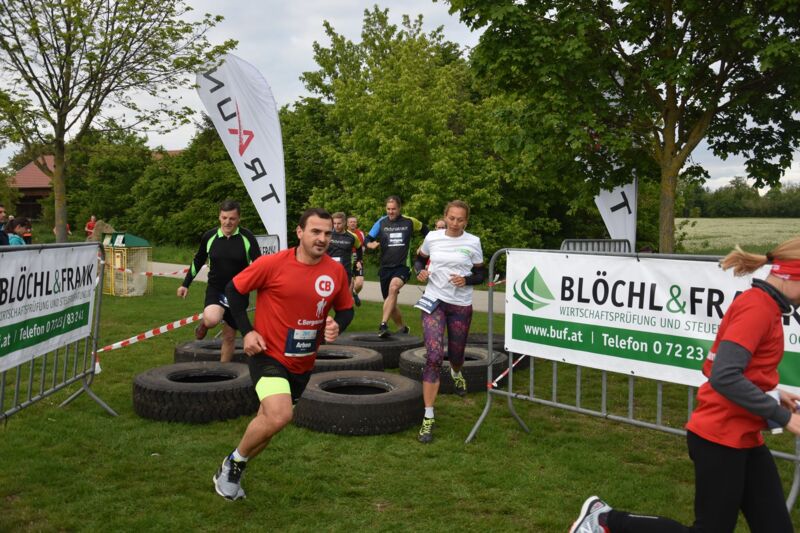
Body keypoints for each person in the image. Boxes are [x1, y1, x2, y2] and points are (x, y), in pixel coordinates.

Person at [570, 238, 800, 533]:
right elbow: (724, 376)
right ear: (790, 274)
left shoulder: (765, 306)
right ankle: (604, 520)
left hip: (744, 436)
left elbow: (726, 370)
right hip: (720, 438)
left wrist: (773, 394)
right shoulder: (758, 308)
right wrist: (782, 416)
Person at [213, 208, 354, 501]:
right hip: (267, 354)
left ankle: (234, 466)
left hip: (303, 361)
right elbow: (234, 289)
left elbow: (346, 309)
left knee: (268, 424)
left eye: (327, 233)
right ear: (299, 232)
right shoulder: (272, 264)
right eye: (315, 231)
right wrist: (247, 331)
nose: (322, 239)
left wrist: (337, 326)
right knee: (280, 415)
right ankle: (233, 463)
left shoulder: (335, 271)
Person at [412, 200, 484, 443]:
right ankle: (428, 416)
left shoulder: (473, 242)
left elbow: (480, 273)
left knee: (456, 354)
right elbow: (419, 260)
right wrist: (420, 271)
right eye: (451, 218)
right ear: (445, 216)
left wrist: (467, 280)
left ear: (466, 221)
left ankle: (456, 371)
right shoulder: (432, 237)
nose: (455, 223)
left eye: (460, 219)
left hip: (460, 305)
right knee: (433, 356)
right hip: (434, 301)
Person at [177, 200, 260, 363]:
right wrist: (185, 284)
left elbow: (259, 265)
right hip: (216, 289)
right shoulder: (210, 237)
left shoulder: (247, 237)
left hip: (238, 292)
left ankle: (223, 369)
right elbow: (198, 261)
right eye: (224, 218)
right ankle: (204, 324)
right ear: (219, 217)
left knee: (229, 337)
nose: (228, 222)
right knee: (212, 319)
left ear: (239, 219)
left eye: (232, 218)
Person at [365, 195, 429, 337]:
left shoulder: (409, 221)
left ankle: (383, 325)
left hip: (402, 266)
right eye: (388, 209)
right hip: (385, 267)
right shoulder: (381, 222)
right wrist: (370, 244)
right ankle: (402, 328)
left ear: (399, 208)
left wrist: (424, 246)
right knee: (390, 302)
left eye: (393, 209)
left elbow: (427, 232)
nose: (391, 212)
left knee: (393, 288)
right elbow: (367, 238)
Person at [327, 212, 362, 301]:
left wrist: (359, 260)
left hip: (345, 271)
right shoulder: (328, 235)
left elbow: (359, 247)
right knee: (329, 297)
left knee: (344, 298)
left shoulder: (352, 237)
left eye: (339, 223)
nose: (336, 226)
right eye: (334, 223)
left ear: (344, 223)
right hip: (329, 270)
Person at [347, 215, 366, 306]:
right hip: (347, 261)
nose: (353, 223)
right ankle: (349, 299)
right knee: (349, 282)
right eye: (351, 222)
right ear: (347, 224)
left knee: (360, 283)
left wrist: (360, 258)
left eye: (354, 222)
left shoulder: (361, 233)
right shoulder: (345, 233)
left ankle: (353, 294)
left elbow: (363, 246)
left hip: (358, 260)